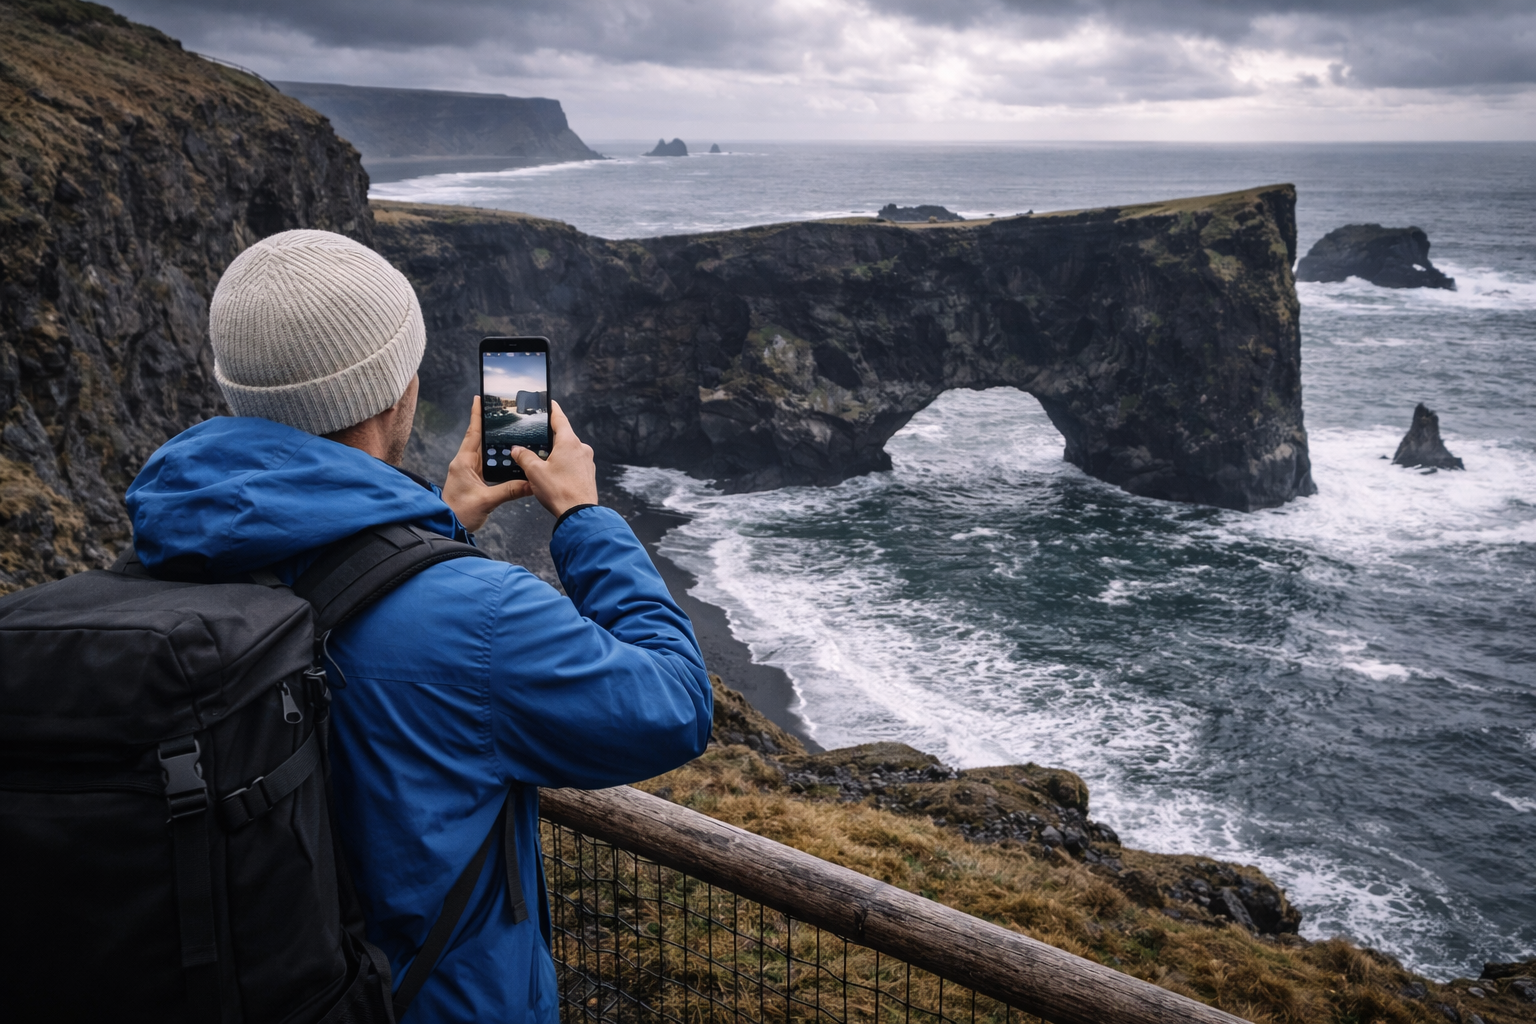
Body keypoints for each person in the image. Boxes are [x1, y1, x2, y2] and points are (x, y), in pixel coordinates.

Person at [125, 229, 713, 1022]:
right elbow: (674, 703)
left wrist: (442, 524)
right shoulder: (482, 617)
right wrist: (583, 514)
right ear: (398, 389)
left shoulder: (168, 549)